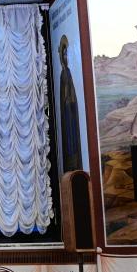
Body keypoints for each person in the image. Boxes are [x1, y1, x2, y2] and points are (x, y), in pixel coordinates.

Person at [57, 35, 82, 171]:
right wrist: (67, 98)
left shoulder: (69, 73)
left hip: (71, 110)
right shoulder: (63, 74)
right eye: (64, 54)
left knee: (73, 135)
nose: (66, 57)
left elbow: (72, 93)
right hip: (66, 111)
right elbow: (64, 93)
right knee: (68, 138)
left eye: (67, 54)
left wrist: (71, 99)